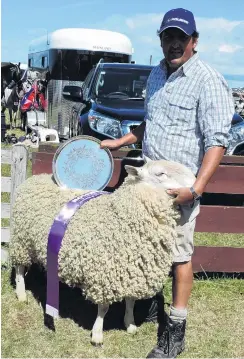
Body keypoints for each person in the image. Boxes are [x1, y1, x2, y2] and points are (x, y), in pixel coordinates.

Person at [100, 8, 234, 358]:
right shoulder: (156, 75)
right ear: (160, 39)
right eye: (167, 37)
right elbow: (151, 124)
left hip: (179, 189)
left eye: (181, 37)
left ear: (194, 41)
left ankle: (176, 333)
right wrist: (120, 142)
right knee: (149, 247)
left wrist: (196, 189)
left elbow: (216, 141)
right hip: (148, 186)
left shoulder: (208, 80)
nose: (173, 44)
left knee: (178, 256)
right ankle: (151, 305)